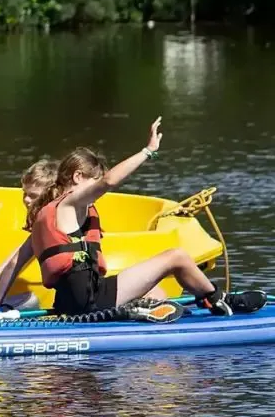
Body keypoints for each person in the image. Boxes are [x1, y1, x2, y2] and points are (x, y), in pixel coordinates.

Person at [27, 117, 259, 322]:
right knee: (175, 257)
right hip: (88, 303)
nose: (97, 190)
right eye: (93, 180)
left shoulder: (48, 211)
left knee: (156, 292)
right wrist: (148, 151)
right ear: (78, 177)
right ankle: (217, 299)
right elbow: (109, 181)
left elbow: (16, 262)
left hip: (70, 301)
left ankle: (150, 306)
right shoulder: (70, 203)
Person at [0, 158, 58, 309]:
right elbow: (22, 251)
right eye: (25, 193)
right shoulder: (52, 216)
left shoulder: (52, 221)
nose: (26, 200)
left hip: (75, 296)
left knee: (28, 301)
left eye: (33, 195)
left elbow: (17, 261)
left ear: (52, 195)